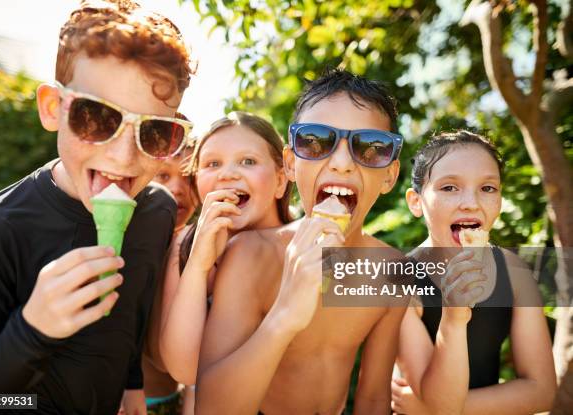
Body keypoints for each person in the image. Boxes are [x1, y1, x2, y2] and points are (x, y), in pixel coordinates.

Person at [0, 1, 193, 414]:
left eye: (155, 131)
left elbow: (133, 312)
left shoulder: (156, 211)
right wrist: (32, 329)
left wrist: (131, 384)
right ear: (53, 108)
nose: (123, 157)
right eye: (96, 117)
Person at [195, 69, 406, 414]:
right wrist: (286, 313)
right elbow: (211, 407)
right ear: (291, 164)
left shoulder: (391, 271)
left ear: (389, 176)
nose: (340, 163)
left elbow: (373, 398)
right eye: (316, 141)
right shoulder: (251, 256)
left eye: (369, 148)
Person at [391, 131, 557, 414]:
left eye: (487, 188)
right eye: (449, 188)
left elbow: (541, 392)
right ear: (416, 202)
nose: (471, 202)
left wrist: (433, 410)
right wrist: (454, 318)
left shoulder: (514, 273)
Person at [145, 112, 293, 411]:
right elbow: (183, 369)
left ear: (280, 180)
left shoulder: (305, 245)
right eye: (212, 164)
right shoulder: (184, 245)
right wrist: (199, 264)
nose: (228, 174)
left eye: (248, 161)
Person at [139, 133, 200, 415]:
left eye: (189, 178)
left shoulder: (194, 250)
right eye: (163, 175)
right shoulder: (128, 243)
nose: (177, 188)